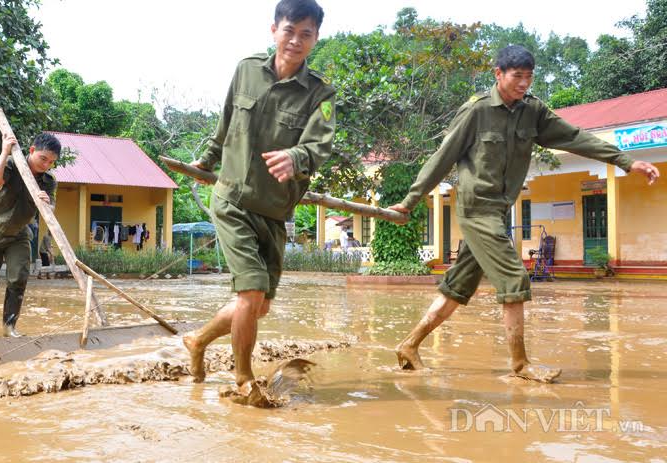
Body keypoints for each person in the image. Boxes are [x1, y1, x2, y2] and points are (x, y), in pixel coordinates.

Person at [388, 45, 660, 382]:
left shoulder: (534, 112)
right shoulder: (476, 111)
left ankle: (409, 345)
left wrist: (627, 161)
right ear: (498, 74)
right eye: (517, 76)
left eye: (529, 77)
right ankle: (520, 365)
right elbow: (442, 158)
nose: (523, 84)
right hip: (475, 208)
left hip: (499, 210)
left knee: (457, 287)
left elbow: (574, 137)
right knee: (515, 279)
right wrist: (411, 200)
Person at [183, 0, 335, 395]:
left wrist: (296, 156)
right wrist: (207, 160)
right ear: (274, 30)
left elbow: (320, 146)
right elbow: (226, 121)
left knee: (258, 304)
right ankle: (244, 378)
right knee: (250, 291)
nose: (295, 41)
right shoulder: (247, 70)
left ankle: (198, 340)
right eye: (289, 31)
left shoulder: (321, 93)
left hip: (275, 210)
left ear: (316, 38)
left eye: (306, 34)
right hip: (232, 199)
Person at [0, 132, 59, 337]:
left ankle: (9, 326)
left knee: (18, 279)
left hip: (19, 234)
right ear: (32, 150)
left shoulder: (48, 180)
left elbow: (51, 209)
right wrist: (5, 151)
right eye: (43, 158)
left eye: (51, 162)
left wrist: (46, 203)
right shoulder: (11, 164)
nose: (46, 165)